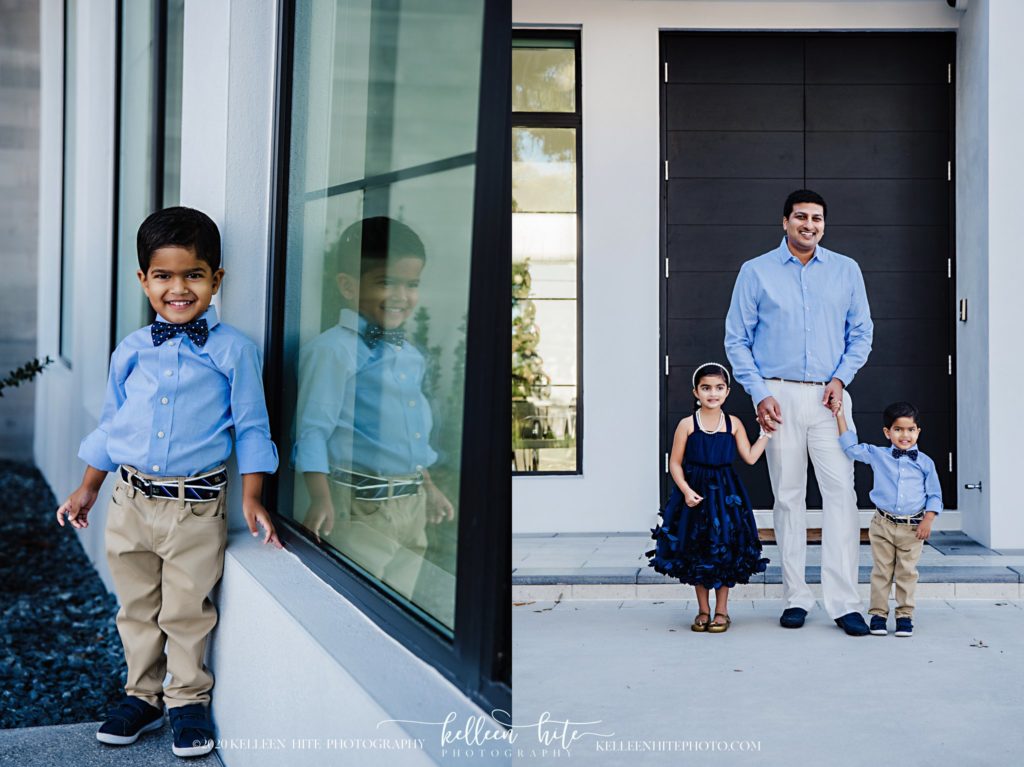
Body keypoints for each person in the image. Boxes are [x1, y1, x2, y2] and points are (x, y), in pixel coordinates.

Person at [56, 207, 281, 758]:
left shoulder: (234, 351)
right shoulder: (132, 350)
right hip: (129, 500)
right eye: (164, 276)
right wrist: (88, 487)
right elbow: (113, 424)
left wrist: (252, 495)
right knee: (135, 605)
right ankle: (142, 695)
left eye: (194, 275)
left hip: (195, 508)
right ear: (143, 280)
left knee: (184, 609)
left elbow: (252, 426)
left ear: (216, 280)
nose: (178, 288)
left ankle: (186, 701)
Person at [725, 189, 874, 636]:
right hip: (778, 397)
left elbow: (862, 333)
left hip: (831, 398)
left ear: (824, 224)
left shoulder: (846, 270)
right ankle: (795, 596)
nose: (810, 225)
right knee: (788, 498)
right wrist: (758, 393)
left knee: (842, 497)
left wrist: (840, 379)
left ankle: (844, 602)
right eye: (801, 217)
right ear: (784, 221)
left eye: (817, 218)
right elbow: (737, 339)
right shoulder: (756, 272)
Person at [293, 216, 454, 602]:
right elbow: (313, 428)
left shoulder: (409, 355)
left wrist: (428, 488)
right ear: (349, 286)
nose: (402, 295)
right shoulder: (333, 351)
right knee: (365, 605)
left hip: (411, 505)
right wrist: (319, 496)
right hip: (363, 507)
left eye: (412, 284)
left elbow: (412, 436)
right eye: (387, 282)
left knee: (402, 601)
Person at [647, 363, 770, 633]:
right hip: (696, 494)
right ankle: (703, 610)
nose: (712, 393)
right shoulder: (687, 425)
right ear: (696, 392)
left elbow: (749, 457)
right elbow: (675, 463)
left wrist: (766, 434)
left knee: (725, 549)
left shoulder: (733, 423)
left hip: (727, 495)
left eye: (718, 388)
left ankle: (722, 611)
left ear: (727, 392)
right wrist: (686, 490)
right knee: (698, 550)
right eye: (706, 388)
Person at [836, 401, 942, 638]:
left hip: (913, 527)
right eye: (898, 429)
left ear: (918, 431)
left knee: (906, 572)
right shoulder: (878, 455)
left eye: (910, 429)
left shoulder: (925, 463)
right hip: (882, 524)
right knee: (881, 571)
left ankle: (904, 615)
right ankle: (878, 615)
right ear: (887, 432)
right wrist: (840, 416)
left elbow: (935, 494)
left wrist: (928, 520)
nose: (905, 435)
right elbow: (851, 448)